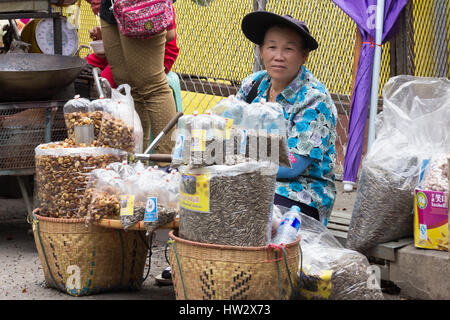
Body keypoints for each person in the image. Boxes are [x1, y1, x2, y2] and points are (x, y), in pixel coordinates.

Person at [237, 11, 337, 224]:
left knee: (244, 206)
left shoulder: (313, 99)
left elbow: (293, 165)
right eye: (272, 47)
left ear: (304, 55)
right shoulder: (252, 85)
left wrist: (240, 158)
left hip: (301, 192)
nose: (278, 56)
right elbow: (228, 132)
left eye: (288, 49)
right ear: (262, 51)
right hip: (250, 180)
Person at [86, 0, 178, 157]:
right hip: (110, 9)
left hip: (138, 6)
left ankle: (166, 164)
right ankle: (137, 161)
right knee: (128, 87)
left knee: (153, 87)